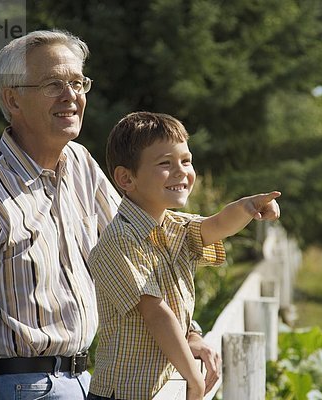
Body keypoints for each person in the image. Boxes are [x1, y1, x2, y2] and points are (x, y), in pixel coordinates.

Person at [0, 30, 123, 400]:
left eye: (78, 82)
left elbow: (130, 252)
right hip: (23, 388)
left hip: (87, 380)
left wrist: (189, 332)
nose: (71, 96)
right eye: (53, 84)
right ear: (12, 99)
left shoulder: (82, 164)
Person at [87, 112, 281, 400]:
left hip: (159, 388)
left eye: (186, 161)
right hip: (123, 393)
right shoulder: (120, 239)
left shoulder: (174, 227)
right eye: (165, 163)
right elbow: (156, 313)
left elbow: (217, 225)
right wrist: (193, 376)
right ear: (126, 178)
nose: (181, 171)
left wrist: (249, 207)